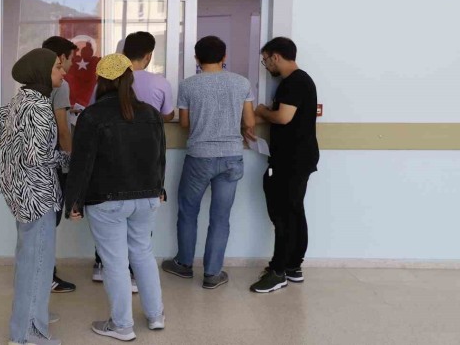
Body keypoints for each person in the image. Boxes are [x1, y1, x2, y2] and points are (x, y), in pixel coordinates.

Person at [65, 54, 166, 342]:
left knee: (115, 262)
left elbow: (82, 163)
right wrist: (159, 188)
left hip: (106, 201)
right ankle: (156, 315)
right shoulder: (151, 114)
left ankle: (122, 326)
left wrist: (74, 201)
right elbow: (160, 157)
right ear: (129, 78)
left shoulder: (92, 116)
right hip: (148, 197)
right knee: (143, 253)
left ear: (100, 81)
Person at [0, 48, 69, 345]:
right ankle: (27, 334)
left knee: (28, 259)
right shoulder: (40, 107)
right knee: (38, 265)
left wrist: (13, 150)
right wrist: (68, 160)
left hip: (20, 191)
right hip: (37, 195)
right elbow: (38, 157)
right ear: (41, 71)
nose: (63, 72)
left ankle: (27, 320)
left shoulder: (22, 98)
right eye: (58, 67)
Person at [161, 36, 256, 289]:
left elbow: (184, 123)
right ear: (224, 57)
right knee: (220, 217)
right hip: (231, 156)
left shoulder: (188, 85)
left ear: (196, 59)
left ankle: (184, 264)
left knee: (188, 211)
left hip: (199, 157)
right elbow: (249, 122)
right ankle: (212, 273)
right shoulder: (241, 83)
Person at [91, 31, 175, 288]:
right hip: (144, 165)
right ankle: (137, 276)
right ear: (148, 56)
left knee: (110, 231)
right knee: (140, 235)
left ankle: (101, 265)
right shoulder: (160, 83)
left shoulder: (108, 81)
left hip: (110, 163)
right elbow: (168, 116)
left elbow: (94, 112)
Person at [250, 37, 319, 294]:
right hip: (298, 158)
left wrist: (261, 111)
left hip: (292, 160)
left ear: (276, 56)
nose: (266, 65)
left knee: (284, 215)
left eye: (265, 60)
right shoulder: (298, 81)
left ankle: (278, 271)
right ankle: (293, 266)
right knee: (294, 211)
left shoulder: (295, 82)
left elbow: (283, 117)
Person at [41, 36, 79, 294]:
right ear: (61, 57)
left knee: (38, 223)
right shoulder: (60, 85)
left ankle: (40, 271)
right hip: (54, 160)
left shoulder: (32, 82)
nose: (70, 65)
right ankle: (47, 275)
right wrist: (70, 162)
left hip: (37, 162)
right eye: (70, 59)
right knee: (49, 221)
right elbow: (63, 130)